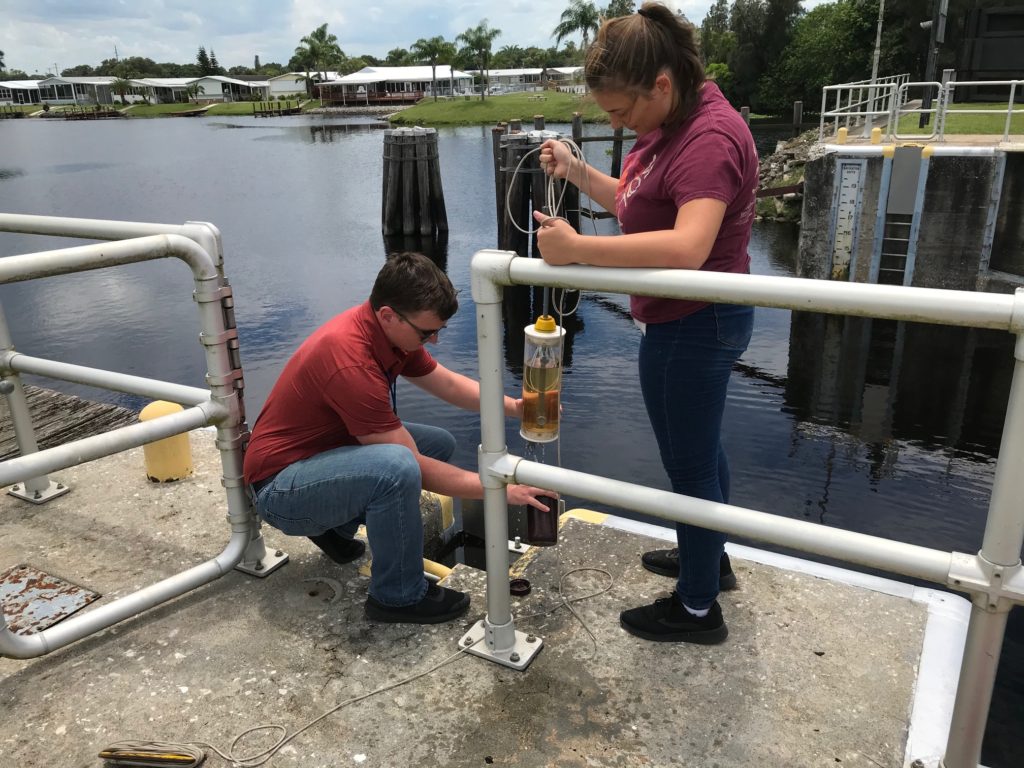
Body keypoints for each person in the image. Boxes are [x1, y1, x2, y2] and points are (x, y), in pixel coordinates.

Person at [533, 1, 757, 644]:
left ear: (662, 83)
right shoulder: (675, 123)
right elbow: (636, 203)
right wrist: (577, 172)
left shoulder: (709, 139)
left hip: (695, 323)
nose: (618, 122)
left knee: (688, 465)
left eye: (621, 111)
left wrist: (577, 250)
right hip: (688, 321)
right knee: (703, 454)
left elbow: (688, 245)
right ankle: (708, 563)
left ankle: (695, 608)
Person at [243, 251, 553, 625]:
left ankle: (332, 530)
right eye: (426, 332)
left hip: (314, 461)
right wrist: (496, 490)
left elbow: (448, 384)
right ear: (389, 315)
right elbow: (410, 465)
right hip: (280, 490)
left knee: (437, 441)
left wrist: (517, 406)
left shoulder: (386, 333)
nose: (434, 341)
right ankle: (397, 596)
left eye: (438, 330)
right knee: (397, 467)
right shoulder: (351, 360)